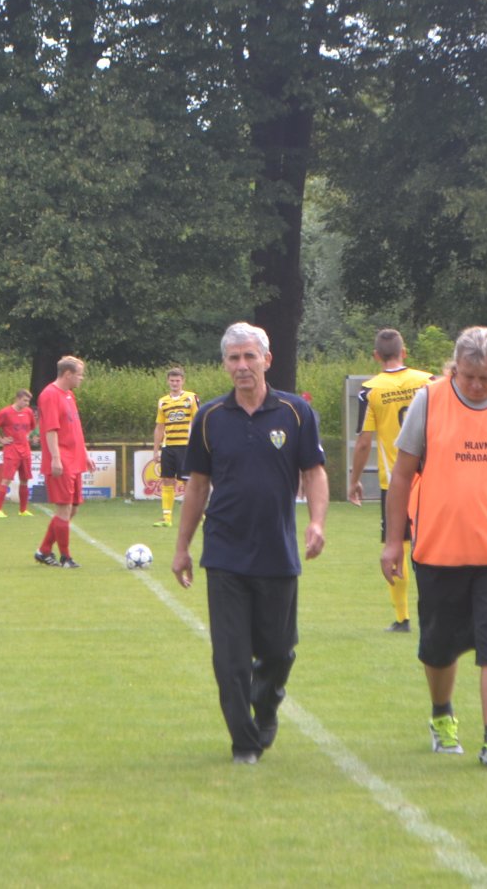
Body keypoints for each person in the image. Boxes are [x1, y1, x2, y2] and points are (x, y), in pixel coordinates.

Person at [380, 325, 487, 773]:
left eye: (485, 378)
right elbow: (401, 475)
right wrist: (393, 542)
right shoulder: (429, 400)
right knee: (439, 647)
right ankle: (442, 715)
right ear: (455, 368)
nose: (475, 386)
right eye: (468, 376)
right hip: (439, 549)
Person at [172, 322, 326, 763]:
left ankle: (267, 703)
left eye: (249, 356)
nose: (242, 365)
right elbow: (197, 485)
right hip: (224, 553)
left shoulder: (296, 412)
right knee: (230, 658)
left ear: (266, 360)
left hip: (277, 551)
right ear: (225, 364)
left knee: (278, 651)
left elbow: (314, 472)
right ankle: (244, 742)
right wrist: (182, 547)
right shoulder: (210, 418)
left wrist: (317, 522)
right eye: (233, 358)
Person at [347, 329, 434, 633]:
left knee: (398, 547)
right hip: (431, 479)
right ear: (404, 352)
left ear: (376, 356)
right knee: (432, 546)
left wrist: (354, 480)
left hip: (395, 483)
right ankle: (435, 614)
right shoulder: (428, 382)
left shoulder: (371, 390)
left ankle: (402, 618)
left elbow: (363, 442)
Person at [36, 356, 90, 569]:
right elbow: (50, 429)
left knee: (72, 509)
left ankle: (44, 550)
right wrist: (56, 458)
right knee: (64, 509)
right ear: (67, 374)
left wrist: (84, 453)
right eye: (79, 374)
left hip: (75, 458)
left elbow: (74, 427)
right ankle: (65, 557)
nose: (81, 378)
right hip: (62, 459)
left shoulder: (69, 394)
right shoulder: (49, 395)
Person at [151, 366, 201, 529]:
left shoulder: (191, 398)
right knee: (167, 480)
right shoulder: (163, 401)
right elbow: (160, 426)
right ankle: (167, 518)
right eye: (172, 380)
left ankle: (198, 515)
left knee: (188, 482)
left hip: (186, 446)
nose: (174, 383)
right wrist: (156, 450)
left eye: (177, 380)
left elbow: (198, 421)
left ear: (183, 381)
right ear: (168, 381)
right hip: (168, 447)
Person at [0, 389, 36, 518]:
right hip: (12, 450)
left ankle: (23, 510)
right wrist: (1, 440)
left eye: (28, 401)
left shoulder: (28, 412)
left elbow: (32, 427)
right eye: (25, 400)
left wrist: (28, 435)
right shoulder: (5, 412)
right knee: (6, 479)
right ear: (17, 399)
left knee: (25, 479)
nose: (27, 403)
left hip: (25, 449)